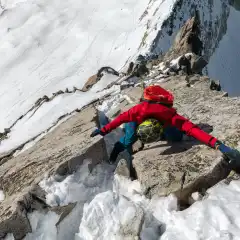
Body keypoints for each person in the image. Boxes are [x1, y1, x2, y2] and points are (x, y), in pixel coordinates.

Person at [90, 85, 240, 171]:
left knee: (174, 137)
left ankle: (125, 147)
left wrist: (217, 144)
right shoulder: (139, 114)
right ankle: (117, 149)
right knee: (129, 139)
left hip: (161, 124)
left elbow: (193, 129)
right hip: (138, 123)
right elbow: (121, 119)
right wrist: (217, 144)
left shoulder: (167, 116)